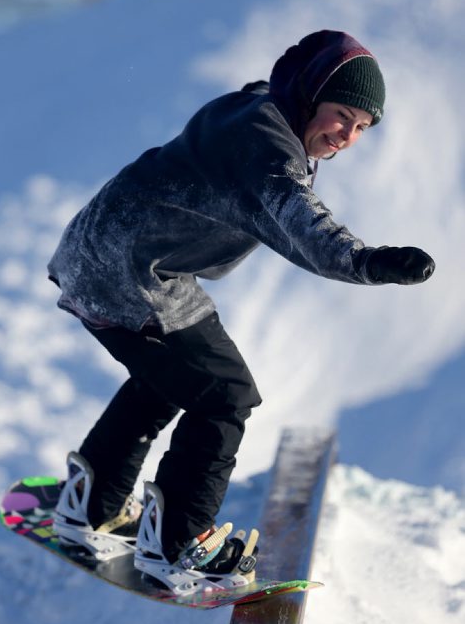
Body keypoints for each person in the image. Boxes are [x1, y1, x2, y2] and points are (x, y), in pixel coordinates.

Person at [48, 29, 435, 593]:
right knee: (225, 396)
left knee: (174, 380)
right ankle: (177, 543)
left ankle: (91, 504)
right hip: (126, 271)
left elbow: (271, 92)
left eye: (362, 128)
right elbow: (307, 228)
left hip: (119, 254)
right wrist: (374, 262)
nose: (347, 136)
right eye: (342, 115)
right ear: (312, 97)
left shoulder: (264, 107)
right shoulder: (265, 148)